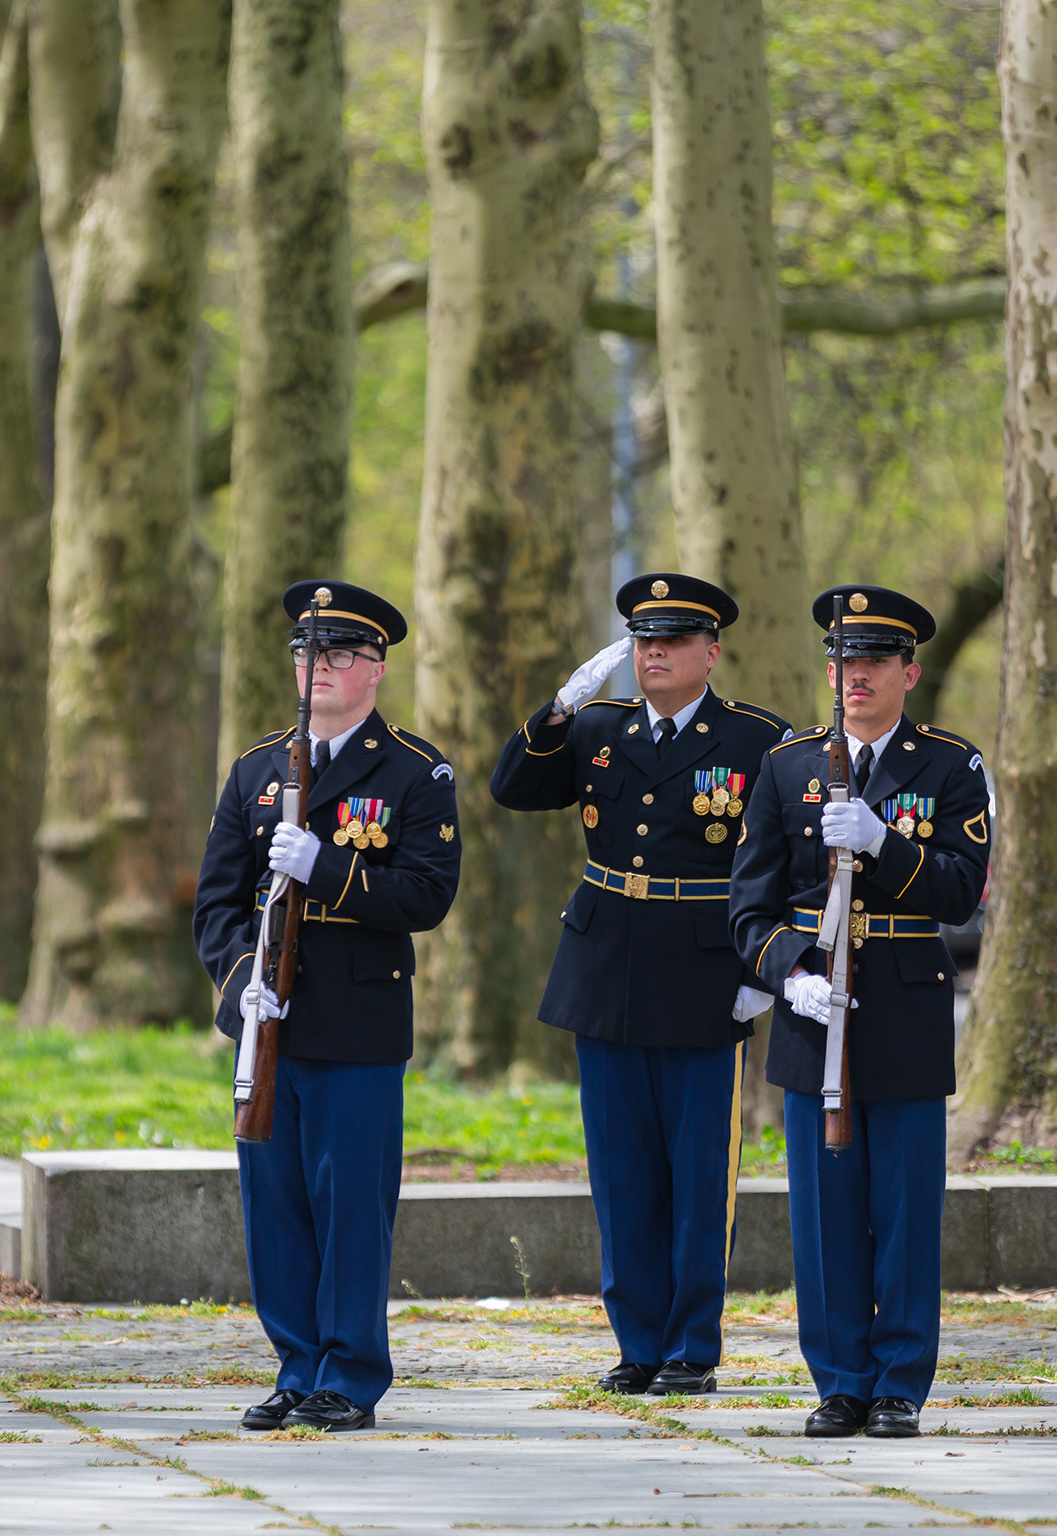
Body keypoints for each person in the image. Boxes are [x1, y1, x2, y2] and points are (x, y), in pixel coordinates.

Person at [488, 574, 790, 1397]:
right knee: (621, 1174)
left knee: (698, 1175)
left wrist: (765, 965)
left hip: (704, 968)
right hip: (607, 966)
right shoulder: (595, 728)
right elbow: (511, 788)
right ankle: (637, 1342)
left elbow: (786, 861)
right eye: (643, 639)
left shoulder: (758, 740)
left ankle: (692, 1344)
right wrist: (552, 714)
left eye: (673, 639)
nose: (653, 652)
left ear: (711, 651)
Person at [193, 580, 462, 1434]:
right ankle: (294, 1363)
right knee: (274, 1206)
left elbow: (427, 894)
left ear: (376, 669)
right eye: (308, 651)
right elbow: (217, 903)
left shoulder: (416, 772)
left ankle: (348, 1373)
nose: (318, 667)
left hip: (357, 1022)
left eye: (340, 653)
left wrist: (329, 869)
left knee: (350, 1208)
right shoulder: (256, 770)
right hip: (269, 1023)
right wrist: (244, 984)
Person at [727, 586, 989, 1441]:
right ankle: (839, 1379)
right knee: (824, 1211)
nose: (855, 677)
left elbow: (957, 894)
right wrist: (786, 972)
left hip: (906, 1007)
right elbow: (749, 903)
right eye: (843, 662)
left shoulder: (951, 766)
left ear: (909, 671)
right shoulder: (787, 765)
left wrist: (886, 842)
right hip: (815, 1008)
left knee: (907, 1210)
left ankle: (900, 1383)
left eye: (874, 662)